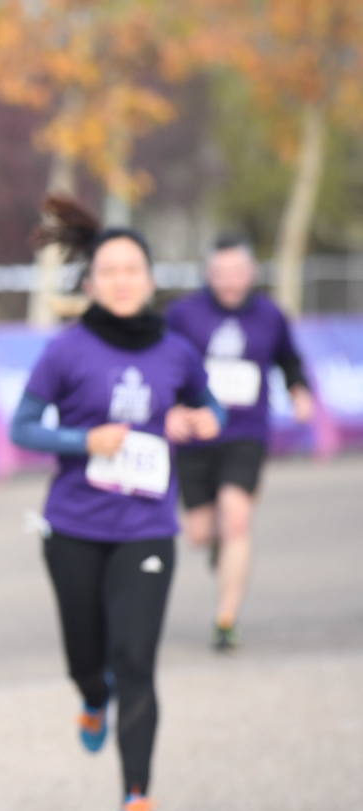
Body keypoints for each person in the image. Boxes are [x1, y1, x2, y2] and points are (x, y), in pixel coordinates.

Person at [9, 194, 227, 811]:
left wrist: (197, 421)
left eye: (133, 269)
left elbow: (210, 410)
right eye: (109, 271)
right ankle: (89, 694)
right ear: (93, 282)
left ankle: (136, 799)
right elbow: (22, 427)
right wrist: (86, 442)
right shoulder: (67, 351)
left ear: (150, 278)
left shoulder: (177, 351)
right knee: (87, 655)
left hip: (147, 527)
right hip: (73, 525)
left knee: (136, 657)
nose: (122, 280)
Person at [165, 236, 315, 651]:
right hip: (196, 436)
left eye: (237, 273)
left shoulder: (270, 316)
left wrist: (300, 391)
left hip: (246, 433)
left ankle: (226, 618)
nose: (229, 282)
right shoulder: (182, 315)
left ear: (251, 274)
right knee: (199, 532)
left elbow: (289, 359)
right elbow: (160, 363)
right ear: (208, 275)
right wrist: (169, 410)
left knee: (236, 518)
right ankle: (218, 547)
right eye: (220, 274)